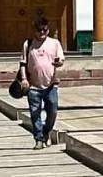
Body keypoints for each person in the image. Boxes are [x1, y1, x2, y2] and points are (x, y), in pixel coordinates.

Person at [16, 16, 65, 150]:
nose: (42, 33)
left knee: (52, 111)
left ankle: (46, 131)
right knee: (35, 113)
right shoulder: (28, 44)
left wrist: (59, 63)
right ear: (34, 31)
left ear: (48, 30)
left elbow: (61, 59)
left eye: (45, 30)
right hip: (33, 86)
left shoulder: (55, 43)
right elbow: (23, 63)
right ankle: (38, 139)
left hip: (51, 85)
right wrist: (24, 79)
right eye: (39, 30)